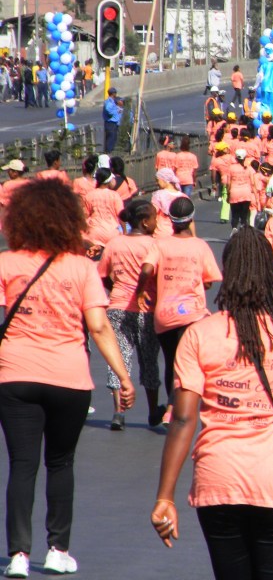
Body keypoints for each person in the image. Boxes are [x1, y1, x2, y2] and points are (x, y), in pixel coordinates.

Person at [151, 227, 273, 580]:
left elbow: (182, 420)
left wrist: (165, 496)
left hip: (219, 481)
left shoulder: (202, 333)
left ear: (229, 274)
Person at [0, 179, 135, 578]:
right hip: (69, 376)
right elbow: (99, 326)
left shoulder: (7, 263)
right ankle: (58, 548)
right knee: (61, 463)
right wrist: (123, 377)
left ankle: (19, 555)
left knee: (21, 465)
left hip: (15, 374)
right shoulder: (80, 267)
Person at [137, 197, 222, 428]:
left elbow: (146, 269)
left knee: (171, 362)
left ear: (170, 220)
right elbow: (209, 280)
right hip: (191, 315)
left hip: (164, 314)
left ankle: (170, 407)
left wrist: (140, 291)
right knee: (186, 365)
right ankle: (173, 411)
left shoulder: (160, 244)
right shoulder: (200, 246)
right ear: (191, 218)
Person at [96, 200, 163, 429]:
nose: (157, 222)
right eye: (155, 217)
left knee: (119, 359)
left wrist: (114, 288)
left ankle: (118, 412)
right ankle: (153, 412)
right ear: (145, 222)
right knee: (149, 361)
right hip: (147, 310)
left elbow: (102, 274)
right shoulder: (154, 245)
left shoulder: (114, 244)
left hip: (117, 307)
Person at [102, 87, 123, 154]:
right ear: (113, 94)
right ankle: (109, 152)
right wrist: (116, 111)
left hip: (114, 123)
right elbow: (109, 110)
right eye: (115, 93)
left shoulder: (113, 101)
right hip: (110, 123)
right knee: (111, 138)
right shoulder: (109, 101)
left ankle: (110, 151)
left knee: (113, 138)